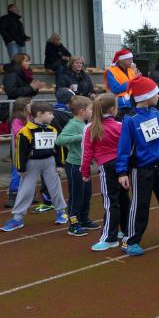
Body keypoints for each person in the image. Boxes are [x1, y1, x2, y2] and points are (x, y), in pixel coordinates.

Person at [116, 76, 159, 256]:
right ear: (145, 96)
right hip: (141, 169)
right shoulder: (130, 119)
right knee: (140, 204)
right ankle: (131, 240)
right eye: (155, 93)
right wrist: (122, 171)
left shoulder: (155, 113)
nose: (158, 96)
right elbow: (124, 147)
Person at [2, 102, 69, 232]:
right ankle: (17, 218)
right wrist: (21, 168)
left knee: (55, 188)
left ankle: (61, 212)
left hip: (49, 162)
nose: (53, 116)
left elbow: (58, 148)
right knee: (25, 190)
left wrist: (60, 164)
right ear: (39, 114)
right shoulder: (25, 131)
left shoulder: (52, 129)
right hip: (31, 164)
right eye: (50, 114)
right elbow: (20, 151)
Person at [82, 93, 130, 252]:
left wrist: (85, 171)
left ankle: (110, 237)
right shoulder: (120, 126)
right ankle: (126, 230)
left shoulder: (90, 128)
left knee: (111, 203)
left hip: (107, 167)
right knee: (123, 199)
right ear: (112, 109)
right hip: (122, 167)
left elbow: (87, 153)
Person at [56, 96, 94, 237]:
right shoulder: (73, 124)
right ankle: (73, 224)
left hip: (85, 165)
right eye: (91, 109)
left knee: (87, 194)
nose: (93, 111)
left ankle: (84, 219)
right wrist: (81, 136)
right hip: (74, 165)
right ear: (82, 111)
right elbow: (60, 140)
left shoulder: (84, 123)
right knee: (76, 196)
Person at [4, 97, 31, 209]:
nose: (31, 106)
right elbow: (18, 132)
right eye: (29, 105)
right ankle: (13, 195)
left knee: (29, 172)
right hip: (19, 150)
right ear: (22, 107)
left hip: (30, 149)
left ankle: (28, 194)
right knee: (17, 172)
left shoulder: (30, 117)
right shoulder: (17, 119)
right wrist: (31, 129)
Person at [105, 49, 137, 118]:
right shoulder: (111, 71)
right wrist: (132, 81)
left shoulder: (131, 70)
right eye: (129, 59)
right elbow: (115, 89)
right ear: (121, 60)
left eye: (132, 59)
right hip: (120, 105)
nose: (132, 61)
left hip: (132, 103)